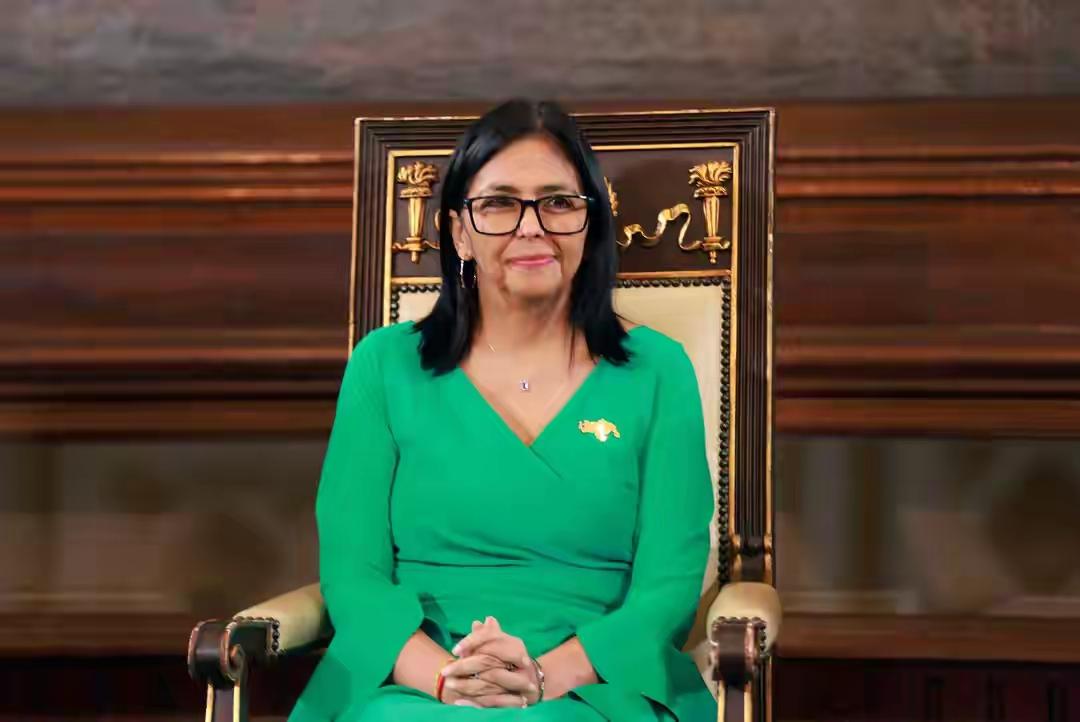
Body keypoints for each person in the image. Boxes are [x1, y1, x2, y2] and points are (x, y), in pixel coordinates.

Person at [288, 99, 716, 721]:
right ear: (459, 231)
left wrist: (540, 678)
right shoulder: (382, 365)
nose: (531, 227)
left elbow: (668, 587)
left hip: (594, 684)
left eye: (558, 202)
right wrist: (450, 682)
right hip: (411, 681)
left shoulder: (659, 370)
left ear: (591, 224)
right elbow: (354, 575)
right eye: (498, 204)